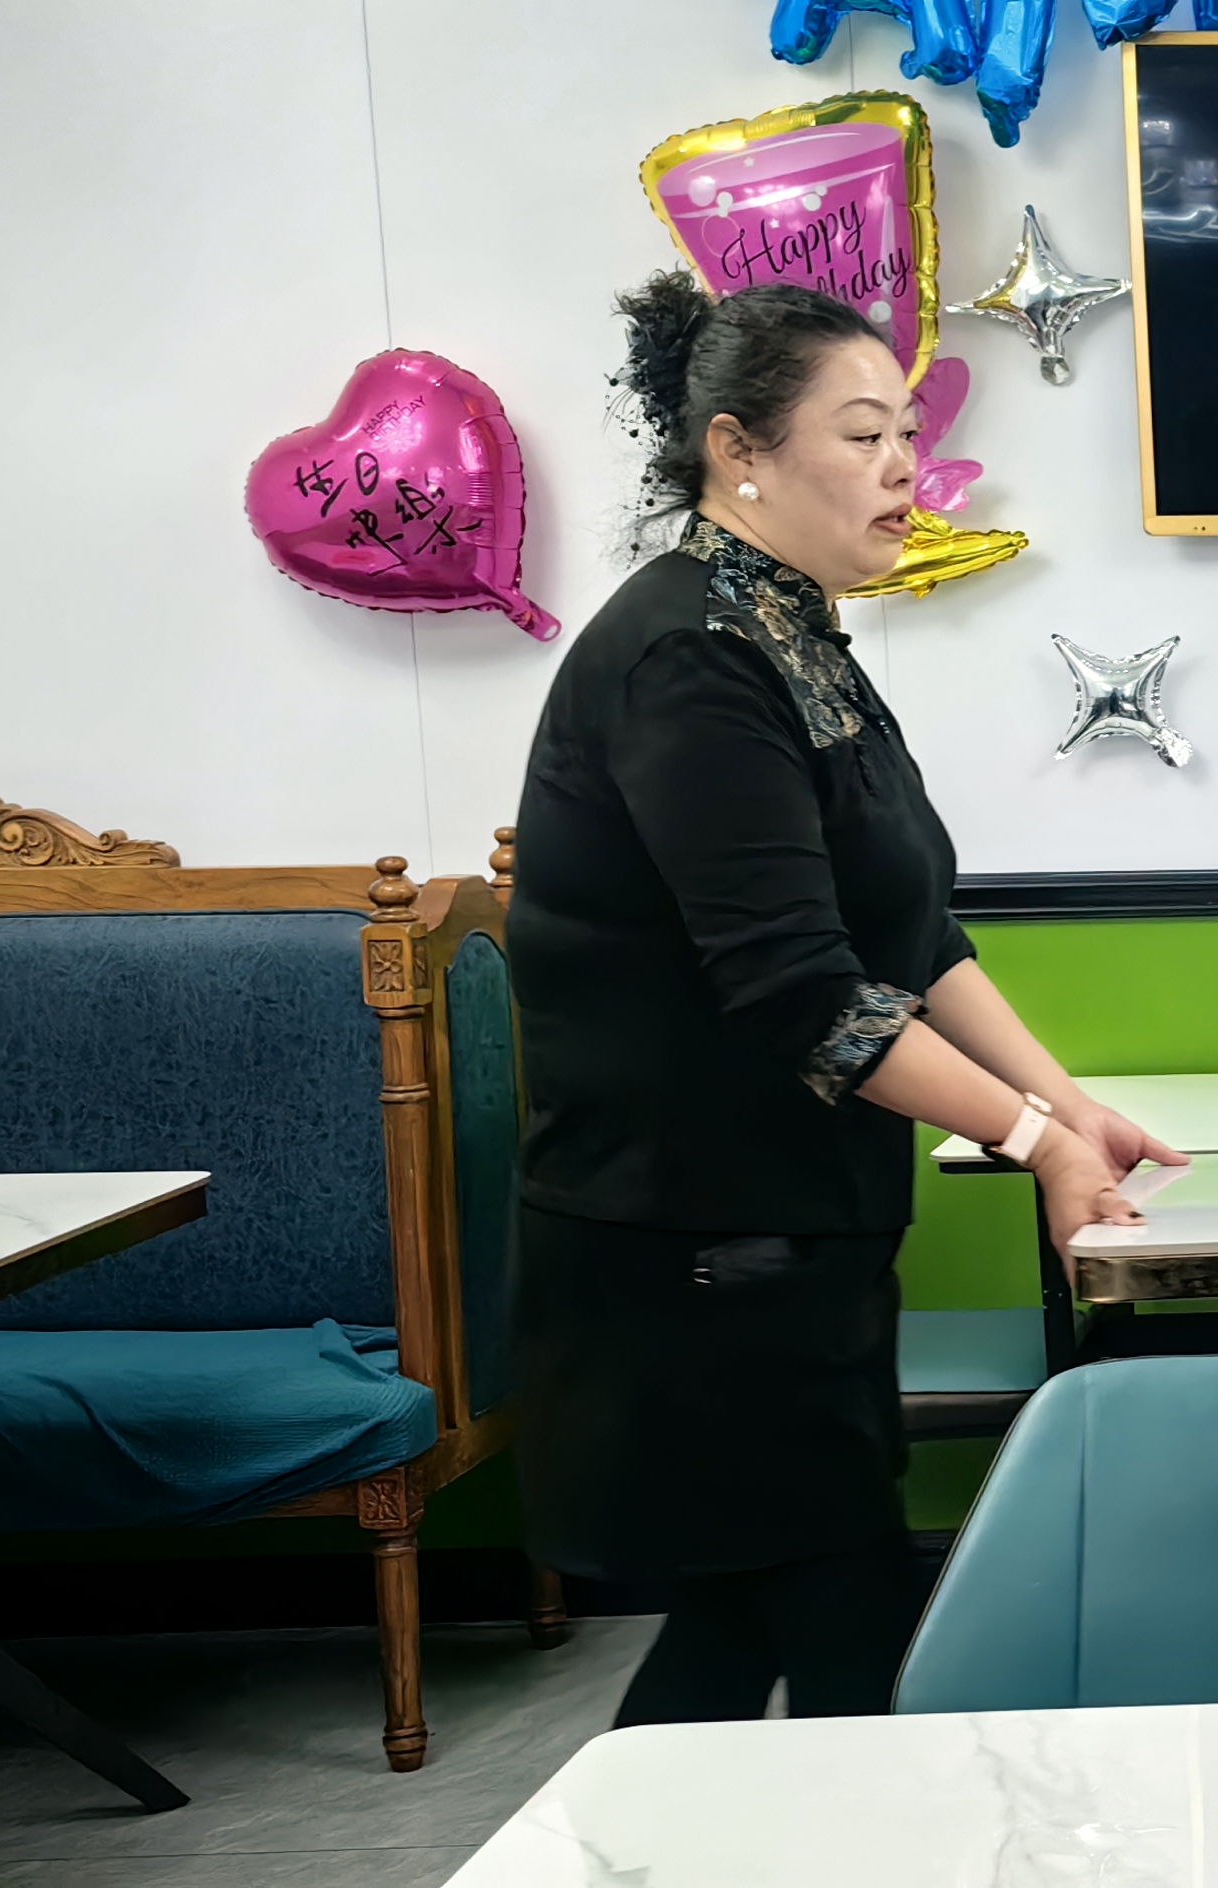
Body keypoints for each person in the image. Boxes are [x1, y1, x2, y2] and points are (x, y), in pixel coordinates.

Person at [506, 275, 1182, 1725]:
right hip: (696, 1251)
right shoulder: (690, 656)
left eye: (908, 435)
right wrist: (1030, 1142)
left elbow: (913, 939)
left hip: (791, 1236)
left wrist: (1069, 1109)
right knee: (836, 1625)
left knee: (764, 1629)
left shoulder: (789, 633)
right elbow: (806, 995)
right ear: (740, 451)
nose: (903, 468)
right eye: (864, 435)